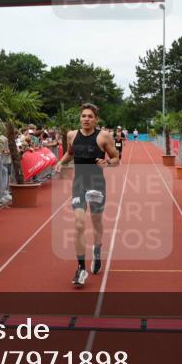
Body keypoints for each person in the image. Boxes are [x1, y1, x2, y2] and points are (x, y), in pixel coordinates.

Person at [54, 103, 119, 287]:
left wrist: (107, 162)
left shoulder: (103, 136)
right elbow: (69, 153)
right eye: (84, 116)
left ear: (95, 119)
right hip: (79, 185)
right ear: (80, 118)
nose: (86, 119)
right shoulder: (72, 135)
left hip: (97, 186)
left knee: (96, 222)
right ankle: (81, 269)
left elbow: (116, 158)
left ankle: (97, 251)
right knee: (79, 223)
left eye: (90, 116)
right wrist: (60, 162)